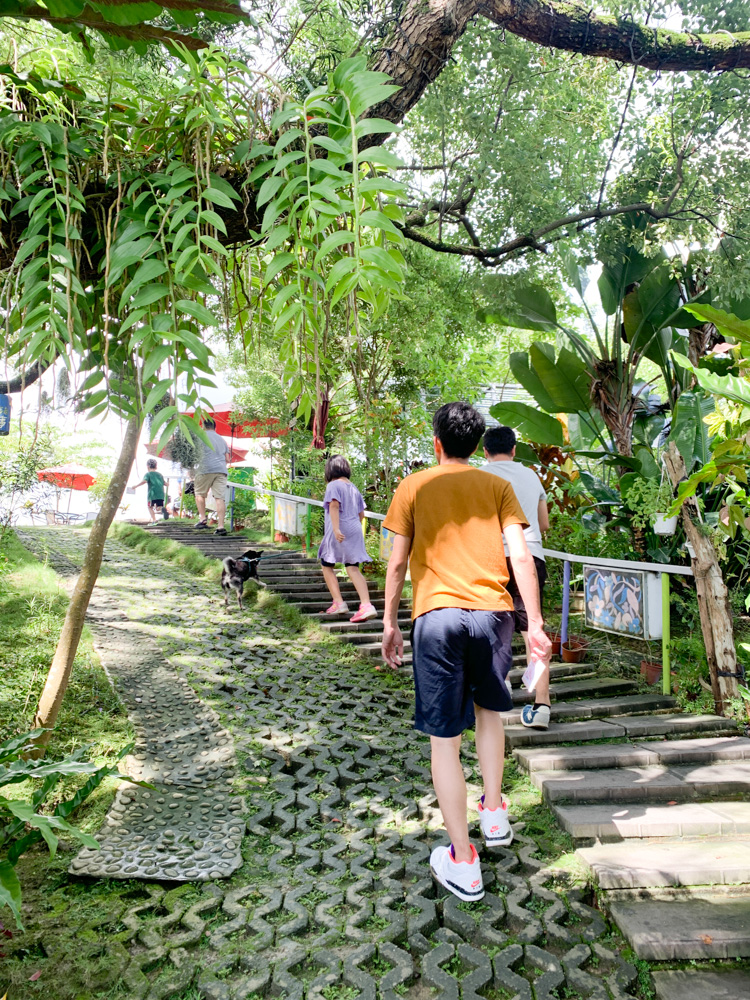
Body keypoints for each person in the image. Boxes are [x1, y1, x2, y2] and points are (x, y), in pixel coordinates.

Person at [381, 402, 551, 901]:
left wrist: (390, 621)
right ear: (478, 445)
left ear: (437, 442)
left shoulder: (414, 486)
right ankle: (494, 813)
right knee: (491, 712)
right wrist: (535, 624)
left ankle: (462, 860)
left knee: (444, 740)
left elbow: (395, 564)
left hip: (436, 617)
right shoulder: (496, 485)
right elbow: (520, 553)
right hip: (494, 614)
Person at [482, 426, 551, 730]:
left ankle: (502, 686)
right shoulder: (531, 475)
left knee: (495, 627)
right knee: (532, 628)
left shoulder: (480, 476)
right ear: (513, 449)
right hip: (531, 556)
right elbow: (544, 523)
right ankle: (542, 704)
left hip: (493, 557)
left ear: (485, 451)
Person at [318, 456, 377, 623]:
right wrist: (353, 530)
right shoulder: (353, 488)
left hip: (339, 527)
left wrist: (336, 529)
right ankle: (366, 605)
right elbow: (361, 514)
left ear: (330, 469)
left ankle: (338, 602)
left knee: (326, 564)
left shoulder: (333, 485)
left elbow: (334, 506)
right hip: (355, 528)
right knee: (352, 567)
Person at [194, 418, 230, 536]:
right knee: (220, 498)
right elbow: (228, 459)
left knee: (200, 494)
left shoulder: (200, 436)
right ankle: (220, 526)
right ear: (215, 427)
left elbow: (195, 453)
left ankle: (203, 519)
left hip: (205, 469)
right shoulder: (222, 439)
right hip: (221, 470)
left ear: (203, 426)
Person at [133, 458, 166, 524]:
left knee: (150, 507)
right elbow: (165, 483)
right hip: (161, 494)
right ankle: (160, 509)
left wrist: (136, 486)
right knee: (158, 507)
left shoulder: (148, 474)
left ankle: (154, 520)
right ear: (156, 466)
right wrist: (168, 484)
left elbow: (144, 481)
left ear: (147, 466)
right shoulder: (160, 475)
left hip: (152, 495)